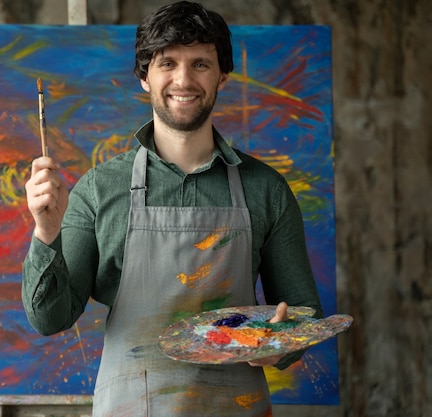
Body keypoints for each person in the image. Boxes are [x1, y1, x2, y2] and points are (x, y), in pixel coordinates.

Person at [22, 1, 323, 415]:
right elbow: (49, 319)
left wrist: (281, 345)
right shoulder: (98, 189)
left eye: (200, 64)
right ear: (145, 77)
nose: (183, 79)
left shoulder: (266, 189)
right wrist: (46, 232)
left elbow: (304, 318)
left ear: (222, 76)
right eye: (168, 63)